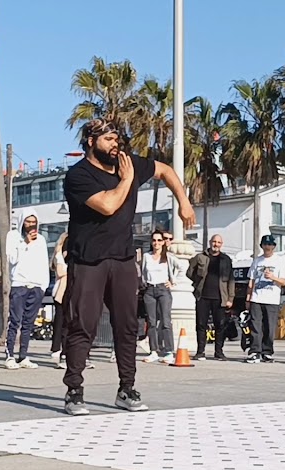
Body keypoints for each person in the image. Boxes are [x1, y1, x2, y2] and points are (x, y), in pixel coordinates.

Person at [61, 118, 195, 416]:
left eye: (117, 138)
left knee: (127, 326)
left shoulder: (127, 163)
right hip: (88, 261)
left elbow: (165, 170)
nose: (115, 144)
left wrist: (183, 202)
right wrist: (127, 180)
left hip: (122, 259)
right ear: (91, 142)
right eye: (108, 139)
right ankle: (74, 391)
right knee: (83, 325)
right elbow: (108, 205)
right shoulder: (79, 175)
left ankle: (127, 389)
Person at [4, 209, 49, 370]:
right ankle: (10, 355)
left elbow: (44, 262)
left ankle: (23, 355)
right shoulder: (13, 236)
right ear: (22, 222)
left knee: (28, 323)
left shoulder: (41, 240)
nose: (30, 225)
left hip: (36, 285)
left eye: (33, 222)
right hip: (19, 284)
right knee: (15, 321)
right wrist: (25, 243)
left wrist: (43, 286)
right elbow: (12, 259)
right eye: (28, 222)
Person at [187, 233, 235, 361]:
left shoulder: (226, 259)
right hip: (202, 296)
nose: (216, 244)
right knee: (201, 324)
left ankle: (219, 352)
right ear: (210, 242)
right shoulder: (200, 257)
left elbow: (231, 280)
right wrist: (197, 282)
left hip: (220, 297)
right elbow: (189, 272)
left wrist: (230, 298)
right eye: (214, 242)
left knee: (220, 325)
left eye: (218, 242)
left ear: (221, 244)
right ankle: (200, 352)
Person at [245, 235, 285, 364]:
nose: (267, 247)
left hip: (272, 299)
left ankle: (267, 352)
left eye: (270, 245)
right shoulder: (257, 261)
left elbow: (284, 282)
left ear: (274, 246)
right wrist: (248, 298)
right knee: (256, 326)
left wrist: (273, 277)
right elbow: (251, 281)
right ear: (262, 246)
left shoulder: (279, 261)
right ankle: (255, 351)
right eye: (265, 244)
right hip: (256, 298)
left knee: (270, 327)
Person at [141, 230, 182, 364]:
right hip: (150, 290)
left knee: (166, 321)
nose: (156, 243)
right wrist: (144, 283)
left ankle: (169, 351)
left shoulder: (168, 257)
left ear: (163, 242)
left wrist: (173, 281)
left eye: (159, 240)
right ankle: (153, 351)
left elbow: (181, 267)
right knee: (151, 322)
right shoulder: (146, 256)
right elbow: (143, 271)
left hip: (163, 289)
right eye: (154, 240)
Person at [50, 233, 69, 366]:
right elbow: (61, 271)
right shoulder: (58, 256)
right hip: (60, 292)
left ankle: (64, 347)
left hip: (70, 290)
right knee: (59, 321)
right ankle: (56, 348)